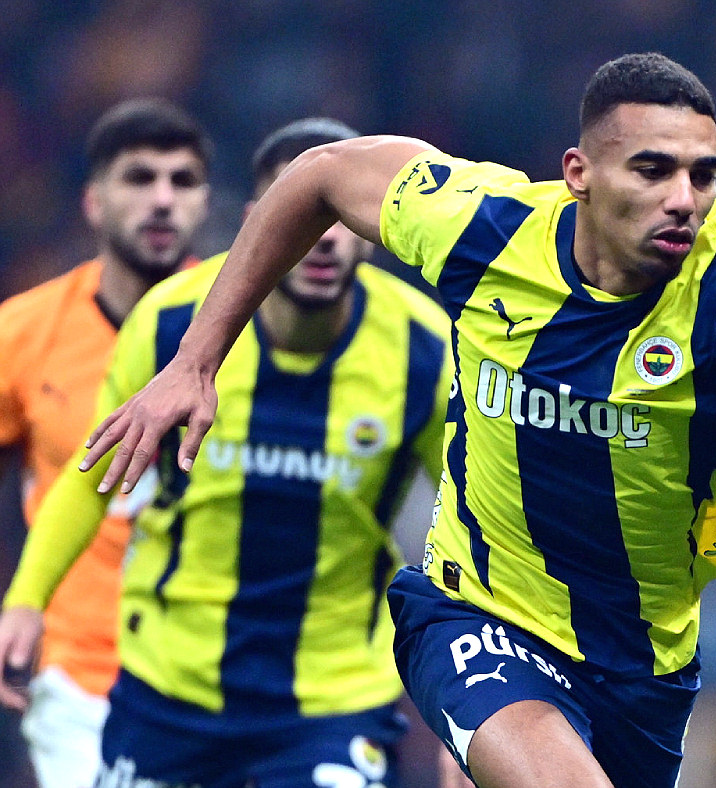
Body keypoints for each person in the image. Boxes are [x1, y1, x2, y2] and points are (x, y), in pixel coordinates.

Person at [72, 53, 716, 788]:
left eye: (702, 174)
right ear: (579, 171)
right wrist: (194, 362)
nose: (683, 199)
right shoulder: (481, 224)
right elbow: (318, 174)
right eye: (651, 170)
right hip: (474, 609)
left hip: (644, 664)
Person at [0, 117, 453, 788]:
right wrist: (26, 600)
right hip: (170, 686)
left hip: (333, 700)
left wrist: (466, 713)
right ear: (260, 223)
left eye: (342, 217)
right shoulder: (170, 321)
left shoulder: (424, 348)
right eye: (305, 215)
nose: (325, 237)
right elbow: (92, 474)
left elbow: (474, 524)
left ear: (374, 231)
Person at [0, 98, 211, 788]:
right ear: (93, 202)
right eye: (139, 178)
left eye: (182, 181)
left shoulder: (249, 332)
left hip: (221, 672)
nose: (162, 199)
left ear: (206, 204)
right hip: (78, 676)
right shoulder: (23, 333)